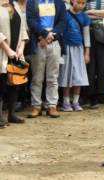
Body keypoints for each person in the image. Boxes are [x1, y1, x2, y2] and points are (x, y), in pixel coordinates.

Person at [26, 0, 67, 118]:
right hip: (38, 41)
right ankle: (36, 106)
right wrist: (43, 34)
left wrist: (51, 36)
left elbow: (63, 22)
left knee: (53, 77)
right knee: (37, 77)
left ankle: (52, 106)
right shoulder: (32, 2)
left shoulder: (59, 2)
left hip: (54, 41)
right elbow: (31, 21)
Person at [0, 0, 29, 128]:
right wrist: (7, 49)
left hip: (16, 52)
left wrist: (21, 47)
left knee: (14, 83)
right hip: (2, 51)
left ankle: (11, 115)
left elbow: (23, 28)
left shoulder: (15, 4)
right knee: (0, 85)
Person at [59, 0, 91, 112]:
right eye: (79, 2)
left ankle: (76, 102)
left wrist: (87, 53)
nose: (81, 5)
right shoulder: (65, 14)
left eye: (83, 3)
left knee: (79, 75)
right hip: (66, 48)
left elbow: (87, 37)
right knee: (66, 75)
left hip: (79, 48)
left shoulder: (85, 17)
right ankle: (66, 102)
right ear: (73, 1)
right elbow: (61, 31)